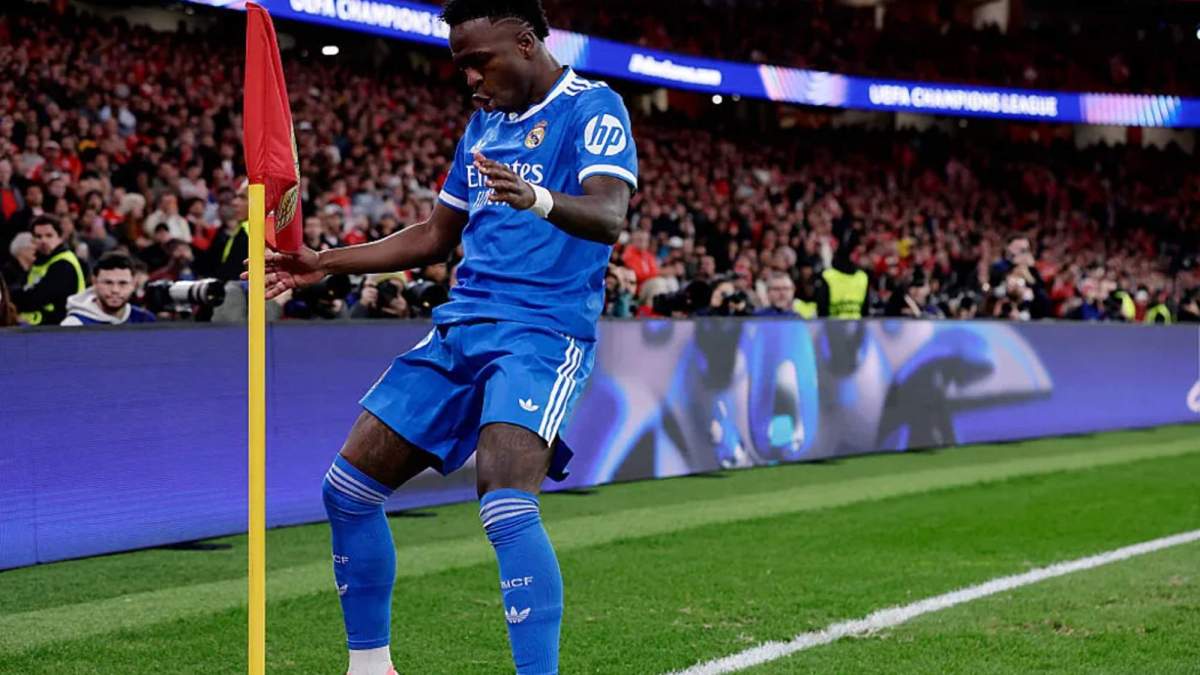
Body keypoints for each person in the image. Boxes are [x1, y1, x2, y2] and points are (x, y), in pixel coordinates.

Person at [249, 1, 637, 672]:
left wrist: (537, 198)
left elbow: (608, 215)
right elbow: (434, 235)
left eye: (477, 62)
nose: (469, 80)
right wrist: (324, 261)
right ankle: (370, 667)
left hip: (540, 336)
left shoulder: (593, 108)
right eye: (460, 66)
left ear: (523, 42)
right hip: (460, 328)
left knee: (507, 505)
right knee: (346, 489)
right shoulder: (483, 127)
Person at [10, 216, 86, 325]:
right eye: (38, 236)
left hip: (58, 330)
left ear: (60, 237)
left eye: (49, 236)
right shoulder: (39, 261)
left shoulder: (63, 263)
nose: (43, 241)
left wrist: (12, 299)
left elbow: (37, 297)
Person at [60, 252, 155, 326]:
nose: (115, 290)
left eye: (123, 283)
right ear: (94, 282)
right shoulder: (74, 325)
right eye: (108, 283)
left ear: (134, 284)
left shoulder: (145, 320)